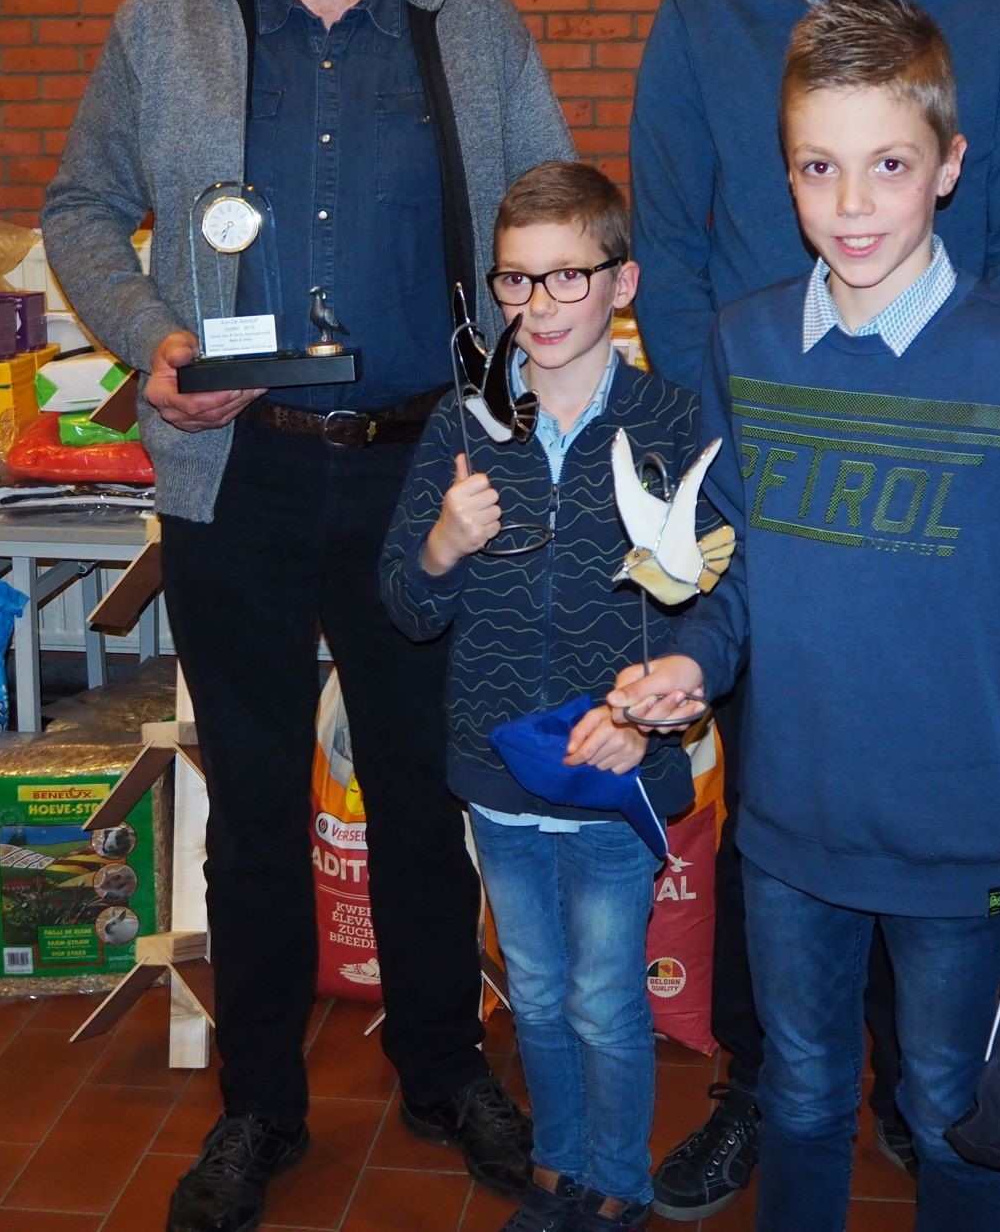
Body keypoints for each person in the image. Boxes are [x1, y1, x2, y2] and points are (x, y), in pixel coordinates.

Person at [41, 0, 574, 1232]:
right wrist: (151, 337)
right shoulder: (170, 16)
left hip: (423, 475)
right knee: (260, 804)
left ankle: (442, 1069)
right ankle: (261, 1105)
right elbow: (80, 205)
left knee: (420, 787)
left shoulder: (467, 17)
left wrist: (535, 387)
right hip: (240, 475)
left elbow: (545, 211)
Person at [630, 0, 1000, 1218]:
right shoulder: (705, 19)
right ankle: (769, 1095)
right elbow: (670, 248)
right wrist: (730, 456)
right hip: (775, 487)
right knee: (787, 878)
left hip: (941, 489)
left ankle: (916, 1099)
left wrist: (965, 421)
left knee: (946, 1056)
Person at [381, 161, 705, 1232]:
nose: (540, 305)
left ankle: (618, 1182)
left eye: (569, 276)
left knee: (605, 1000)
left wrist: (650, 718)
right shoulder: (463, 425)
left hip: (616, 774)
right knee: (536, 993)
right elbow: (405, 605)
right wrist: (442, 544)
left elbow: (712, 604)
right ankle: (558, 1170)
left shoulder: (671, 420)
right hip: (499, 774)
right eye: (516, 280)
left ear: (623, 282)